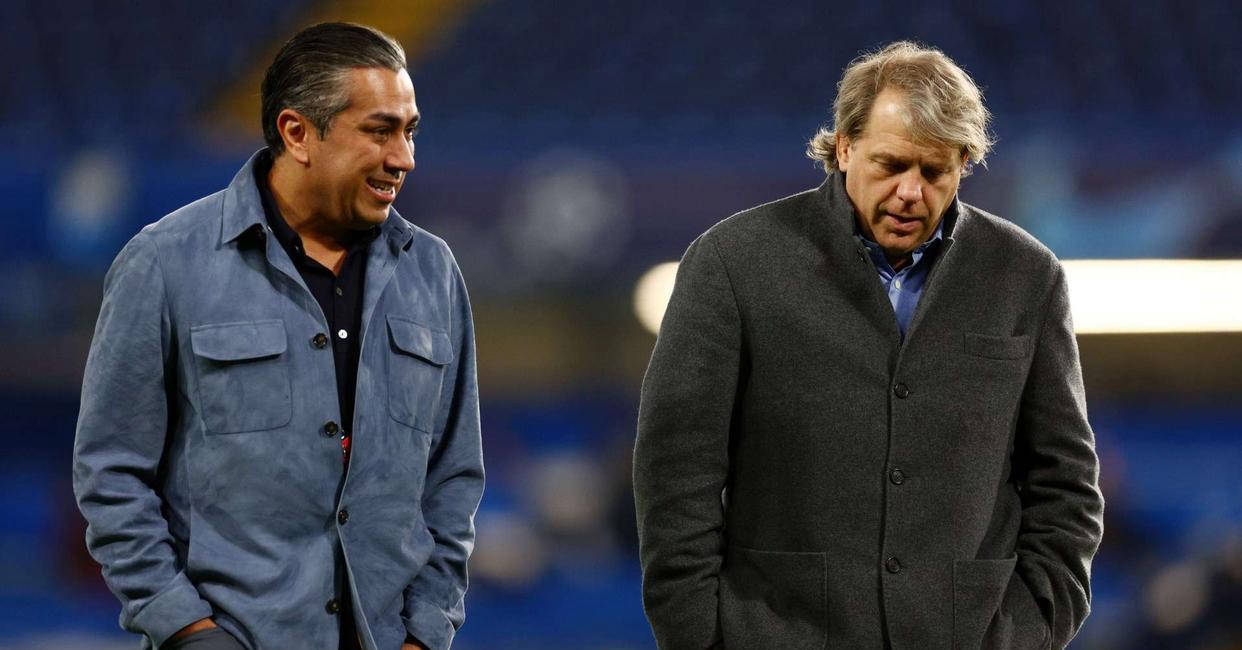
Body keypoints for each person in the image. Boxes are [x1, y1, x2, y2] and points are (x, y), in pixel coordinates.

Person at [633, 41, 1104, 649]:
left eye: (934, 172)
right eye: (891, 165)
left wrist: (1032, 628)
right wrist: (700, 638)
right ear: (844, 148)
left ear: (964, 164)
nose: (911, 191)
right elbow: (676, 473)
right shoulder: (732, 262)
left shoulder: (1027, 276)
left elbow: (1065, 481)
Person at [72, 22, 483, 650]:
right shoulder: (164, 262)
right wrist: (185, 627)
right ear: (297, 133)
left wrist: (424, 633)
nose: (403, 158)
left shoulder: (434, 271)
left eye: (410, 131)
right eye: (379, 131)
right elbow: (111, 475)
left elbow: (453, 480)